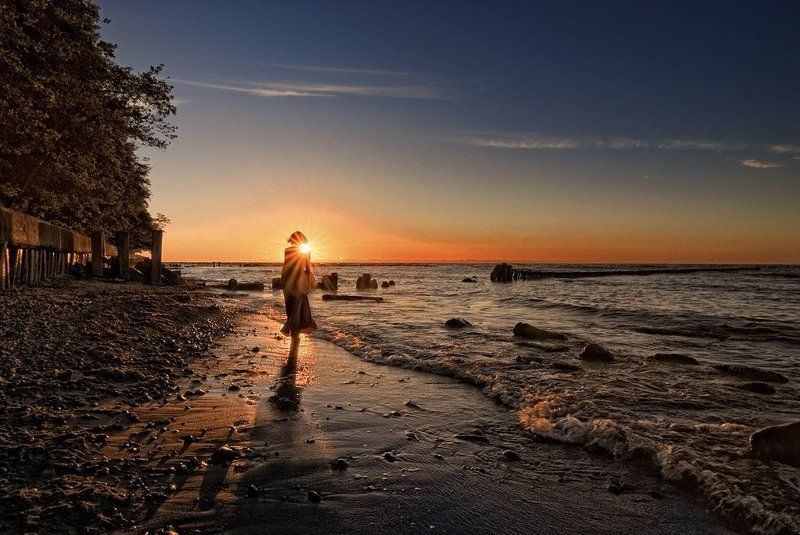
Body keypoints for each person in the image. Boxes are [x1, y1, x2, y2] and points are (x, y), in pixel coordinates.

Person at [280, 230, 317, 337]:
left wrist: (282, 281)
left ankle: (292, 329)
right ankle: (292, 329)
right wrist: (308, 283)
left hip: (287, 281)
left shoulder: (287, 250)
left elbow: (285, 267)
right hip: (298, 282)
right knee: (300, 305)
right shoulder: (306, 252)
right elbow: (307, 269)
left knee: (290, 306)